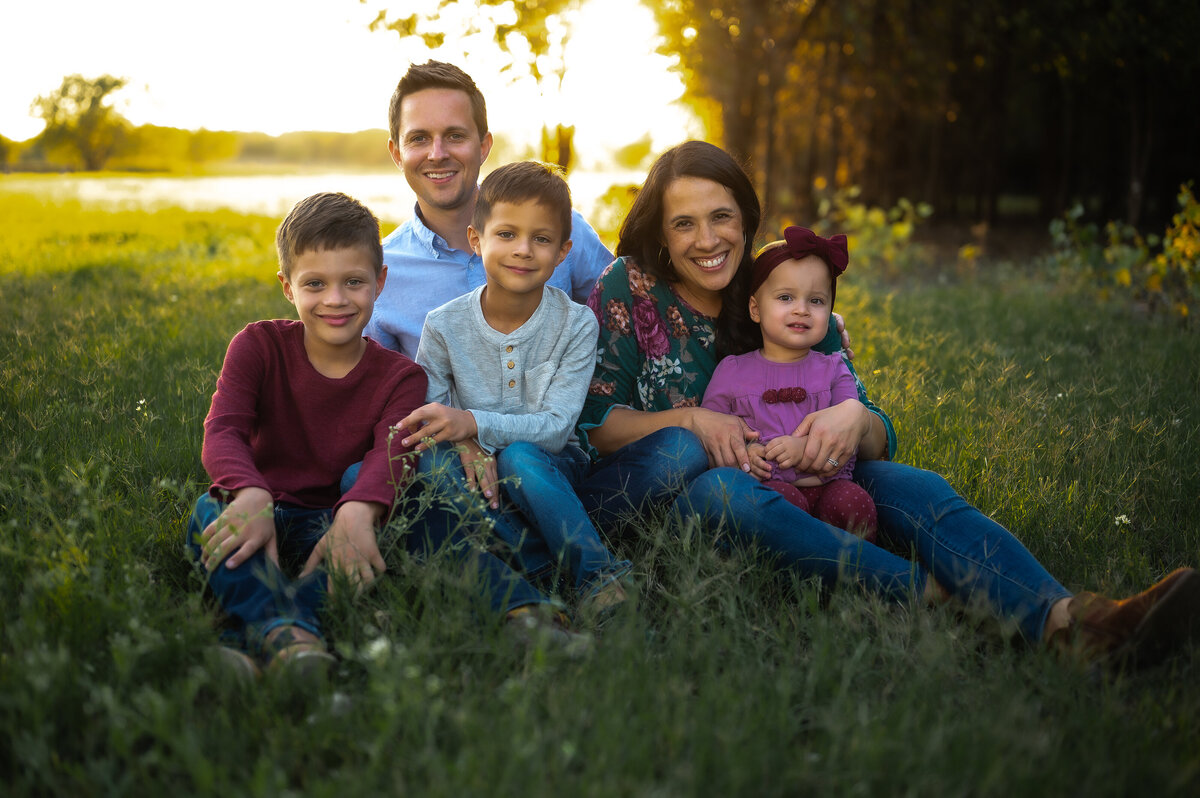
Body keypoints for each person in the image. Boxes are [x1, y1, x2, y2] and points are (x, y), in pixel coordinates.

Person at [576, 139, 1200, 670]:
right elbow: (599, 425)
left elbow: (877, 436)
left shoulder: (780, 288)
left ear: (747, 219)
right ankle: (941, 599)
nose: (707, 239)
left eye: (722, 217)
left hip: (809, 477)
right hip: (689, 499)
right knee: (723, 492)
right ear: (660, 229)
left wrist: (856, 417)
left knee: (909, 483)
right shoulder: (632, 288)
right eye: (684, 223)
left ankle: (1068, 620)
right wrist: (692, 417)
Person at [186, 192, 570, 678]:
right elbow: (223, 430)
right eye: (315, 284)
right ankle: (290, 636)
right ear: (287, 286)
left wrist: (356, 513)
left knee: (418, 521)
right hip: (261, 512)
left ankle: (521, 612)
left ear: (380, 282)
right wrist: (250, 493)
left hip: (344, 523)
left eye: (353, 281)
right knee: (208, 513)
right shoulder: (257, 346)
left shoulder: (400, 377)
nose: (335, 299)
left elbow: (392, 454)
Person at [397, 161, 631, 618]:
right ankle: (540, 564)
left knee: (520, 456)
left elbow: (557, 429)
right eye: (506, 234)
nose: (523, 250)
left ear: (563, 251)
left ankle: (598, 577)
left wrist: (473, 424)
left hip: (552, 469)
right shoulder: (443, 326)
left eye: (541, 239)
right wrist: (464, 438)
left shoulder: (576, 324)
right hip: (475, 473)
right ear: (476, 240)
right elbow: (434, 413)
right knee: (427, 465)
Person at [366, 60, 613, 360]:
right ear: (397, 154)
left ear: (483, 146)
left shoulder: (562, 229)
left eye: (455, 136)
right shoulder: (380, 274)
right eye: (419, 138)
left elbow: (629, 323)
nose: (438, 154)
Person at [701, 226, 877, 542]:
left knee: (855, 505)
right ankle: (800, 571)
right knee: (781, 507)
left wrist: (802, 448)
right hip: (769, 486)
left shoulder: (834, 368)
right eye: (785, 297)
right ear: (755, 308)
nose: (801, 309)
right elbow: (713, 432)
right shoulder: (732, 370)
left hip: (829, 484)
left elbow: (848, 429)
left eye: (817, 300)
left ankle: (854, 574)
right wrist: (748, 454)